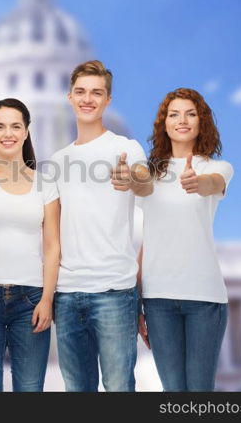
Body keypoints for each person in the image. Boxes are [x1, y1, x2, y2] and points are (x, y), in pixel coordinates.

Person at [48, 60, 151, 392]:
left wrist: (132, 178)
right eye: (80, 92)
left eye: (96, 93)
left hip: (114, 291)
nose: (87, 99)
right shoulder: (58, 161)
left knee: (120, 388)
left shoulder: (125, 148)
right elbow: (50, 229)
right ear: (70, 97)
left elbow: (146, 183)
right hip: (67, 293)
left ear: (108, 100)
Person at [0, 98, 60, 392]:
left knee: (30, 390)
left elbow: (53, 245)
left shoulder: (45, 183)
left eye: (16, 126)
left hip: (31, 299)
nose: (8, 133)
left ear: (27, 131)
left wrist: (47, 299)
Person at [137, 87, 233, 391]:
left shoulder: (217, 168)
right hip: (158, 299)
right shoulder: (149, 175)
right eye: (174, 114)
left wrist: (197, 182)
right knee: (173, 392)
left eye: (191, 114)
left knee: (200, 392)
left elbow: (212, 184)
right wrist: (136, 301)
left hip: (204, 297)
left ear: (201, 122)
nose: (182, 120)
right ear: (163, 123)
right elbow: (147, 240)